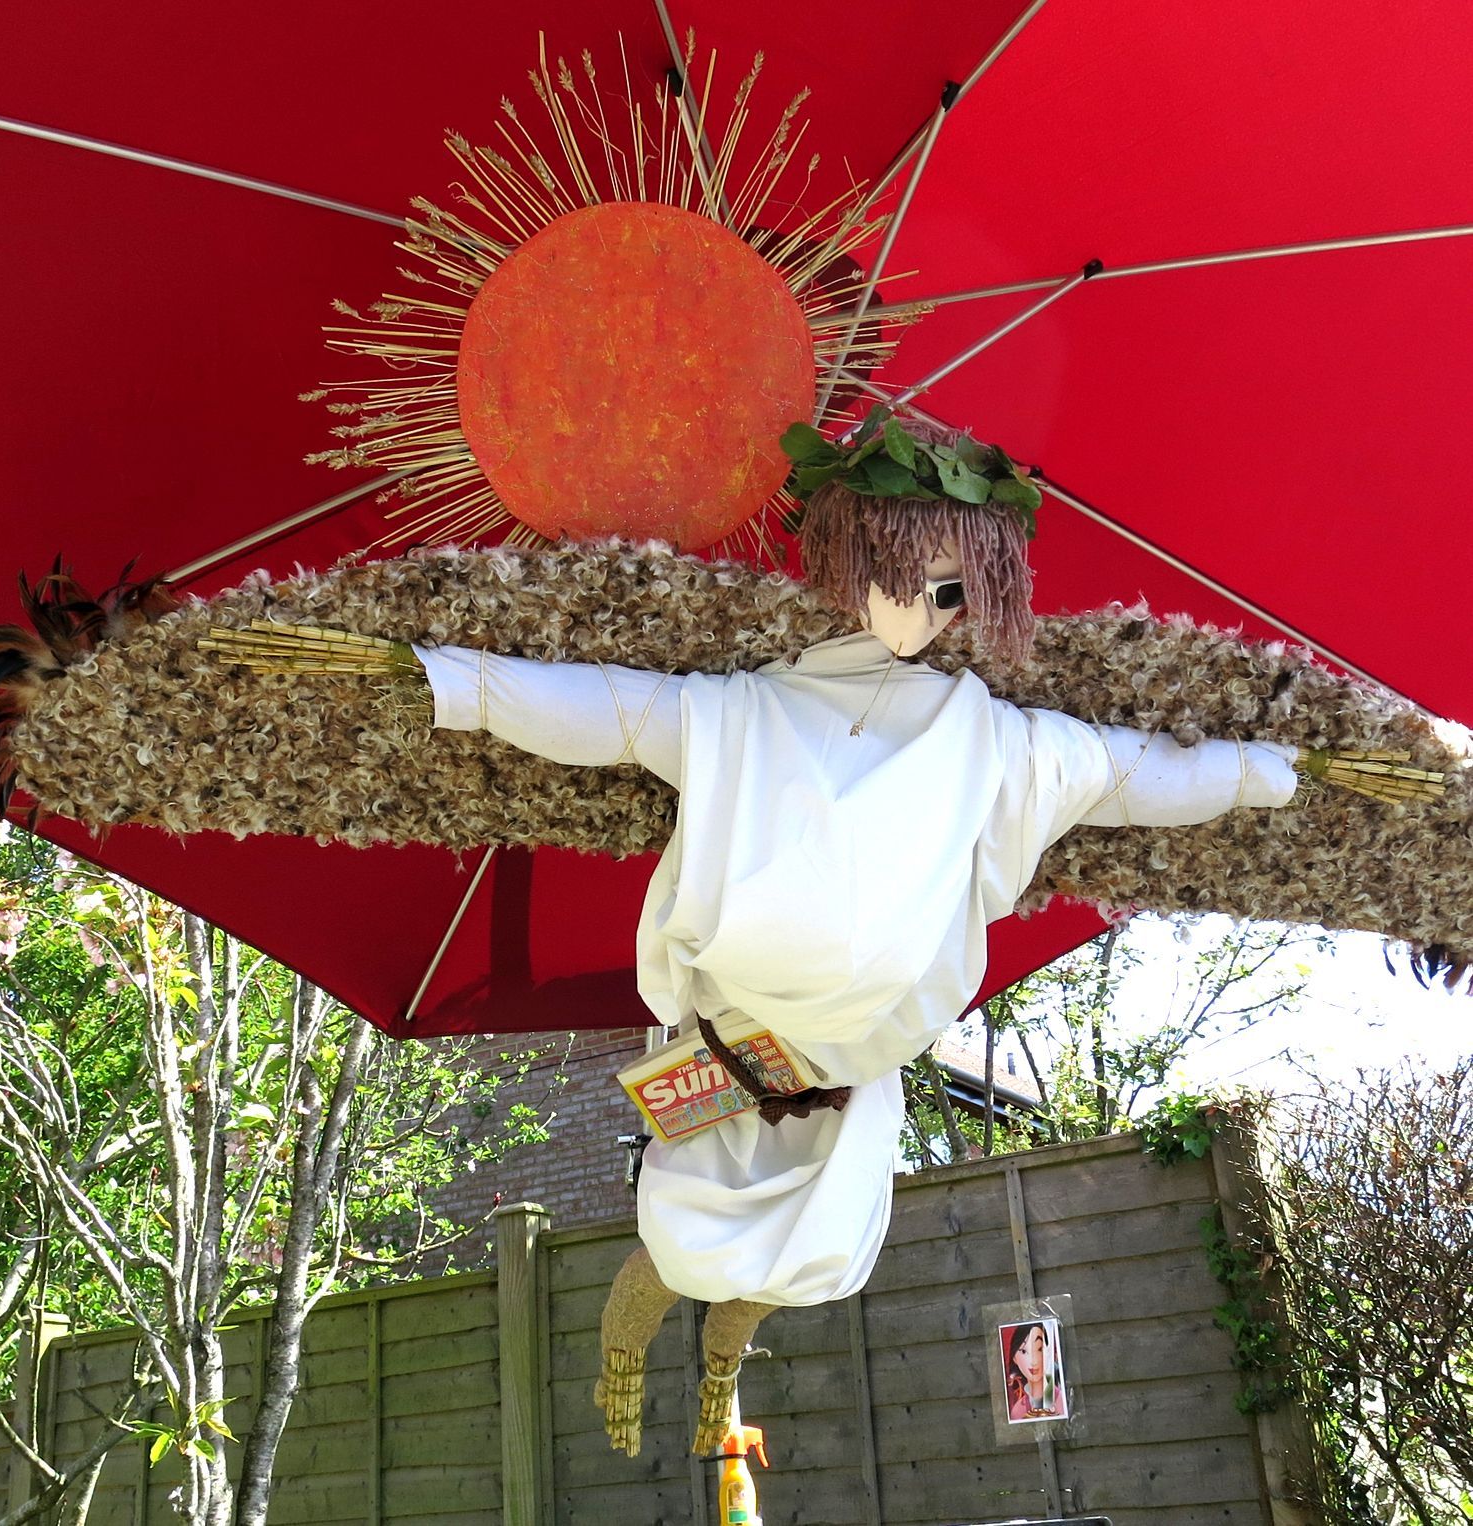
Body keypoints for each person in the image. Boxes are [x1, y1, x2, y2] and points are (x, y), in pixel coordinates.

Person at [402, 423, 1304, 1454]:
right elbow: (611, 709)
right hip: (730, 1039)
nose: (920, 607)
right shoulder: (746, 710)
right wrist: (450, 681)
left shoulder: (998, 742)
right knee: (689, 1234)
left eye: (950, 589)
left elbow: (1135, 772)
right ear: (844, 557)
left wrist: (1266, 774)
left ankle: (721, 1376)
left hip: (856, 1058)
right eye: (896, 571)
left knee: (808, 1247)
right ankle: (624, 1356)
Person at [1004, 1321, 1066, 1422]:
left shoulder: (1063, 1401)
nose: (1033, 1362)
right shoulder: (1017, 1411)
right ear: (1014, 1358)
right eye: (1024, 1351)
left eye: (1040, 1349)